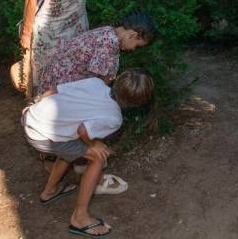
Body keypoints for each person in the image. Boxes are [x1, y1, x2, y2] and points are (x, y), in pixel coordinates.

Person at [22, 69, 155, 237]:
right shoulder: (114, 118)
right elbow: (83, 130)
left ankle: (50, 191)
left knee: (73, 144)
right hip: (42, 135)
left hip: (31, 116)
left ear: (118, 79)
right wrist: (94, 144)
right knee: (97, 157)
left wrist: (37, 103)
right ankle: (80, 217)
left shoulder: (95, 82)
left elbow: (55, 90)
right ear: (136, 104)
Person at [39, 11, 158, 95]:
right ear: (133, 35)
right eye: (136, 45)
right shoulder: (109, 43)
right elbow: (98, 83)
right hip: (59, 89)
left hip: (55, 81)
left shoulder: (108, 32)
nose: (133, 49)